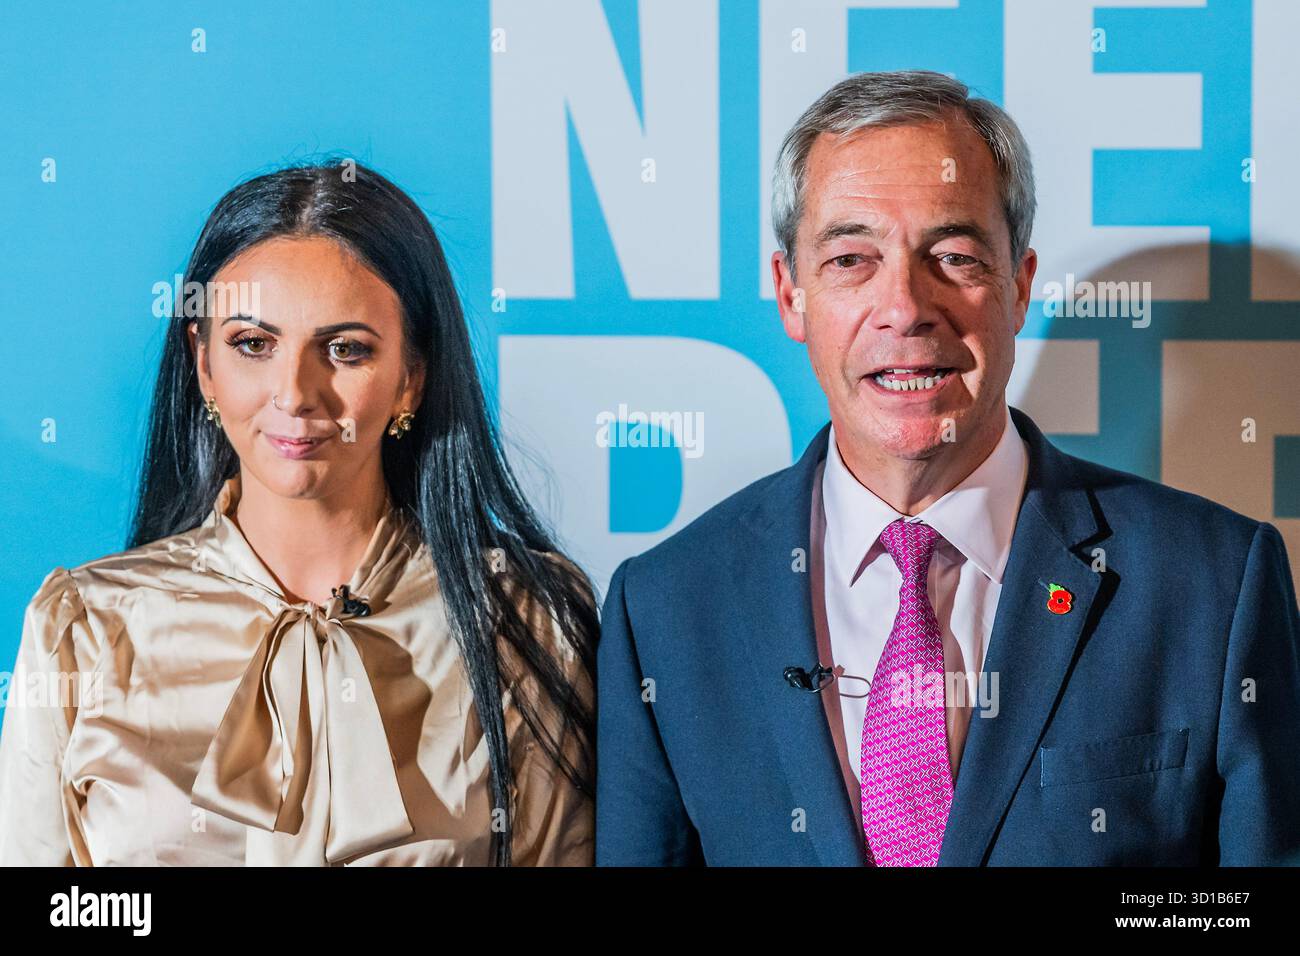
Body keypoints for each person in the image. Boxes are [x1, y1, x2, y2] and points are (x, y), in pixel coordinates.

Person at [595, 70, 1300, 866]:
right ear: (790, 294)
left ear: (1019, 286)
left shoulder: (1211, 581)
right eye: (852, 259)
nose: (905, 306)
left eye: (955, 256)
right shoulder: (663, 610)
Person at [0, 160, 597, 866]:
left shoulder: (525, 618)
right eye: (253, 345)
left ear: (412, 377)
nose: (295, 393)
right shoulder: (85, 627)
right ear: (203, 367)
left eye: (346, 350)